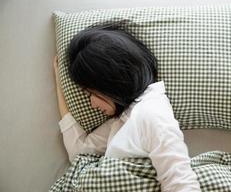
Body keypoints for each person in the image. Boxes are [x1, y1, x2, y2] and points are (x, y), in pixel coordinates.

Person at [53, 23, 201, 192]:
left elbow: (180, 182)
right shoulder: (124, 117)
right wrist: (59, 84)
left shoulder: (150, 112)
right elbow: (80, 152)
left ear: (111, 83)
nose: (92, 103)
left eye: (91, 93)